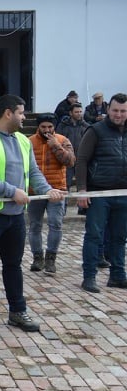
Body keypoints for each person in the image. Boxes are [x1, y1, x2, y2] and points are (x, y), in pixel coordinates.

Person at [0, 95, 66, 332]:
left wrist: (47, 190)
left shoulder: (23, 141)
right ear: (8, 113)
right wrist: (12, 191)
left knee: (13, 265)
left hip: (15, 216)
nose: (24, 117)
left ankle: (17, 311)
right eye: (21, 112)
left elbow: (34, 172)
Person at [76, 93, 127, 293]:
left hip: (123, 193)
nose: (119, 114)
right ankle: (89, 277)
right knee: (94, 236)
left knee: (120, 237)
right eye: (115, 110)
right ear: (108, 109)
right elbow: (81, 160)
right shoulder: (95, 130)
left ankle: (118, 275)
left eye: (123, 111)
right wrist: (82, 190)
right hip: (99, 193)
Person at [27, 114, 75, 276]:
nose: (46, 130)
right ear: (38, 127)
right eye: (43, 127)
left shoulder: (62, 140)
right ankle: (37, 258)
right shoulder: (29, 141)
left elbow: (70, 161)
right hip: (35, 191)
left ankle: (51, 259)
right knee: (35, 225)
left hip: (57, 189)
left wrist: (56, 146)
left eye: (50, 127)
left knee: (56, 224)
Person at [56, 102, 88, 189]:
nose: (79, 114)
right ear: (70, 113)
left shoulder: (86, 126)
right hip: (67, 158)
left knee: (82, 185)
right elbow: (58, 139)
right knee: (66, 183)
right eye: (76, 112)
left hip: (81, 158)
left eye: (80, 112)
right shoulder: (62, 126)